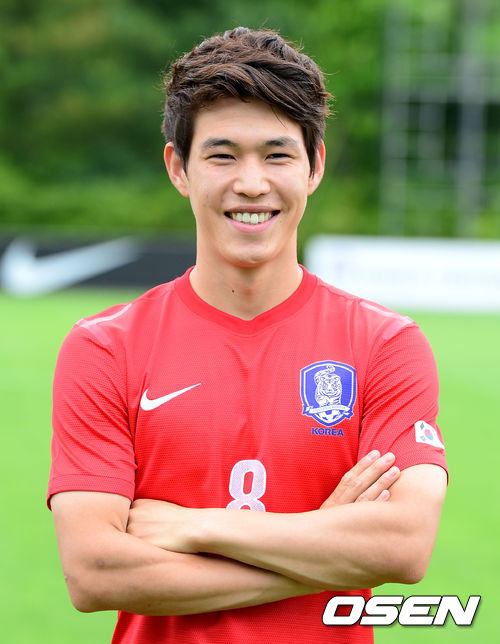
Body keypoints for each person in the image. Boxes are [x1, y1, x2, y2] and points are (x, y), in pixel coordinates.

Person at [48, 27, 448, 644]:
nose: (253, 183)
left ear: (315, 166)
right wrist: (324, 545)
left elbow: (403, 547)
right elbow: (95, 573)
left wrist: (197, 527)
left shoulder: (385, 344)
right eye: (223, 155)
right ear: (178, 168)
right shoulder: (105, 347)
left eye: (277, 155)